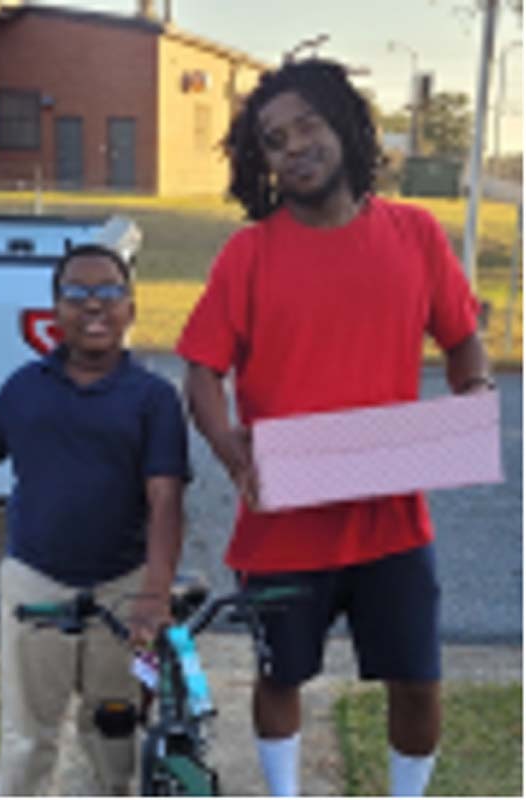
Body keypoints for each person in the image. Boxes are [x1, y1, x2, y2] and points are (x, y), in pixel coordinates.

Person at [176, 59, 494, 797]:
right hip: (283, 517)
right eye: (273, 139)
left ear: (346, 125)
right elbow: (199, 371)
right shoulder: (248, 254)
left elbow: (461, 336)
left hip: (391, 517)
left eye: (307, 124)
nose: (293, 146)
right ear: (261, 161)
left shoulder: (415, 235)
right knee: (279, 678)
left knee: (418, 685)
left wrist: (472, 390)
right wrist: (231, 452)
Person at [0, 243, 190, 796]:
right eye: (76, 293)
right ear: (55, 313)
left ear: (131, 308)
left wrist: (154, 595)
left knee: (113, 734)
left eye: (109, 291)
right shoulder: (28, 387)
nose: (94, 305)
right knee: (27, 738)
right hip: (36, 583)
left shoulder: (154, 399)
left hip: (121, 588)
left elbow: (166, 500)